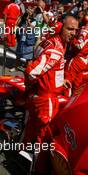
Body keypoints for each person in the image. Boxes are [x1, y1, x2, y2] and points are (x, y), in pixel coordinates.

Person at [23, 15, 79, 173]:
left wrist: (60, 83)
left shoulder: (53, 41)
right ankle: (37, 170)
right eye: (70, 29)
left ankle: (21, 155)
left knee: (32, 131)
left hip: (42, 95)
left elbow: (50, 68)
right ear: (60, 27)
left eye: (75, 29)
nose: (73, 33)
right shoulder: (56, 49)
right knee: (44, 138)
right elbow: (32, 72)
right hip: (45, 98)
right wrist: (35, 88)